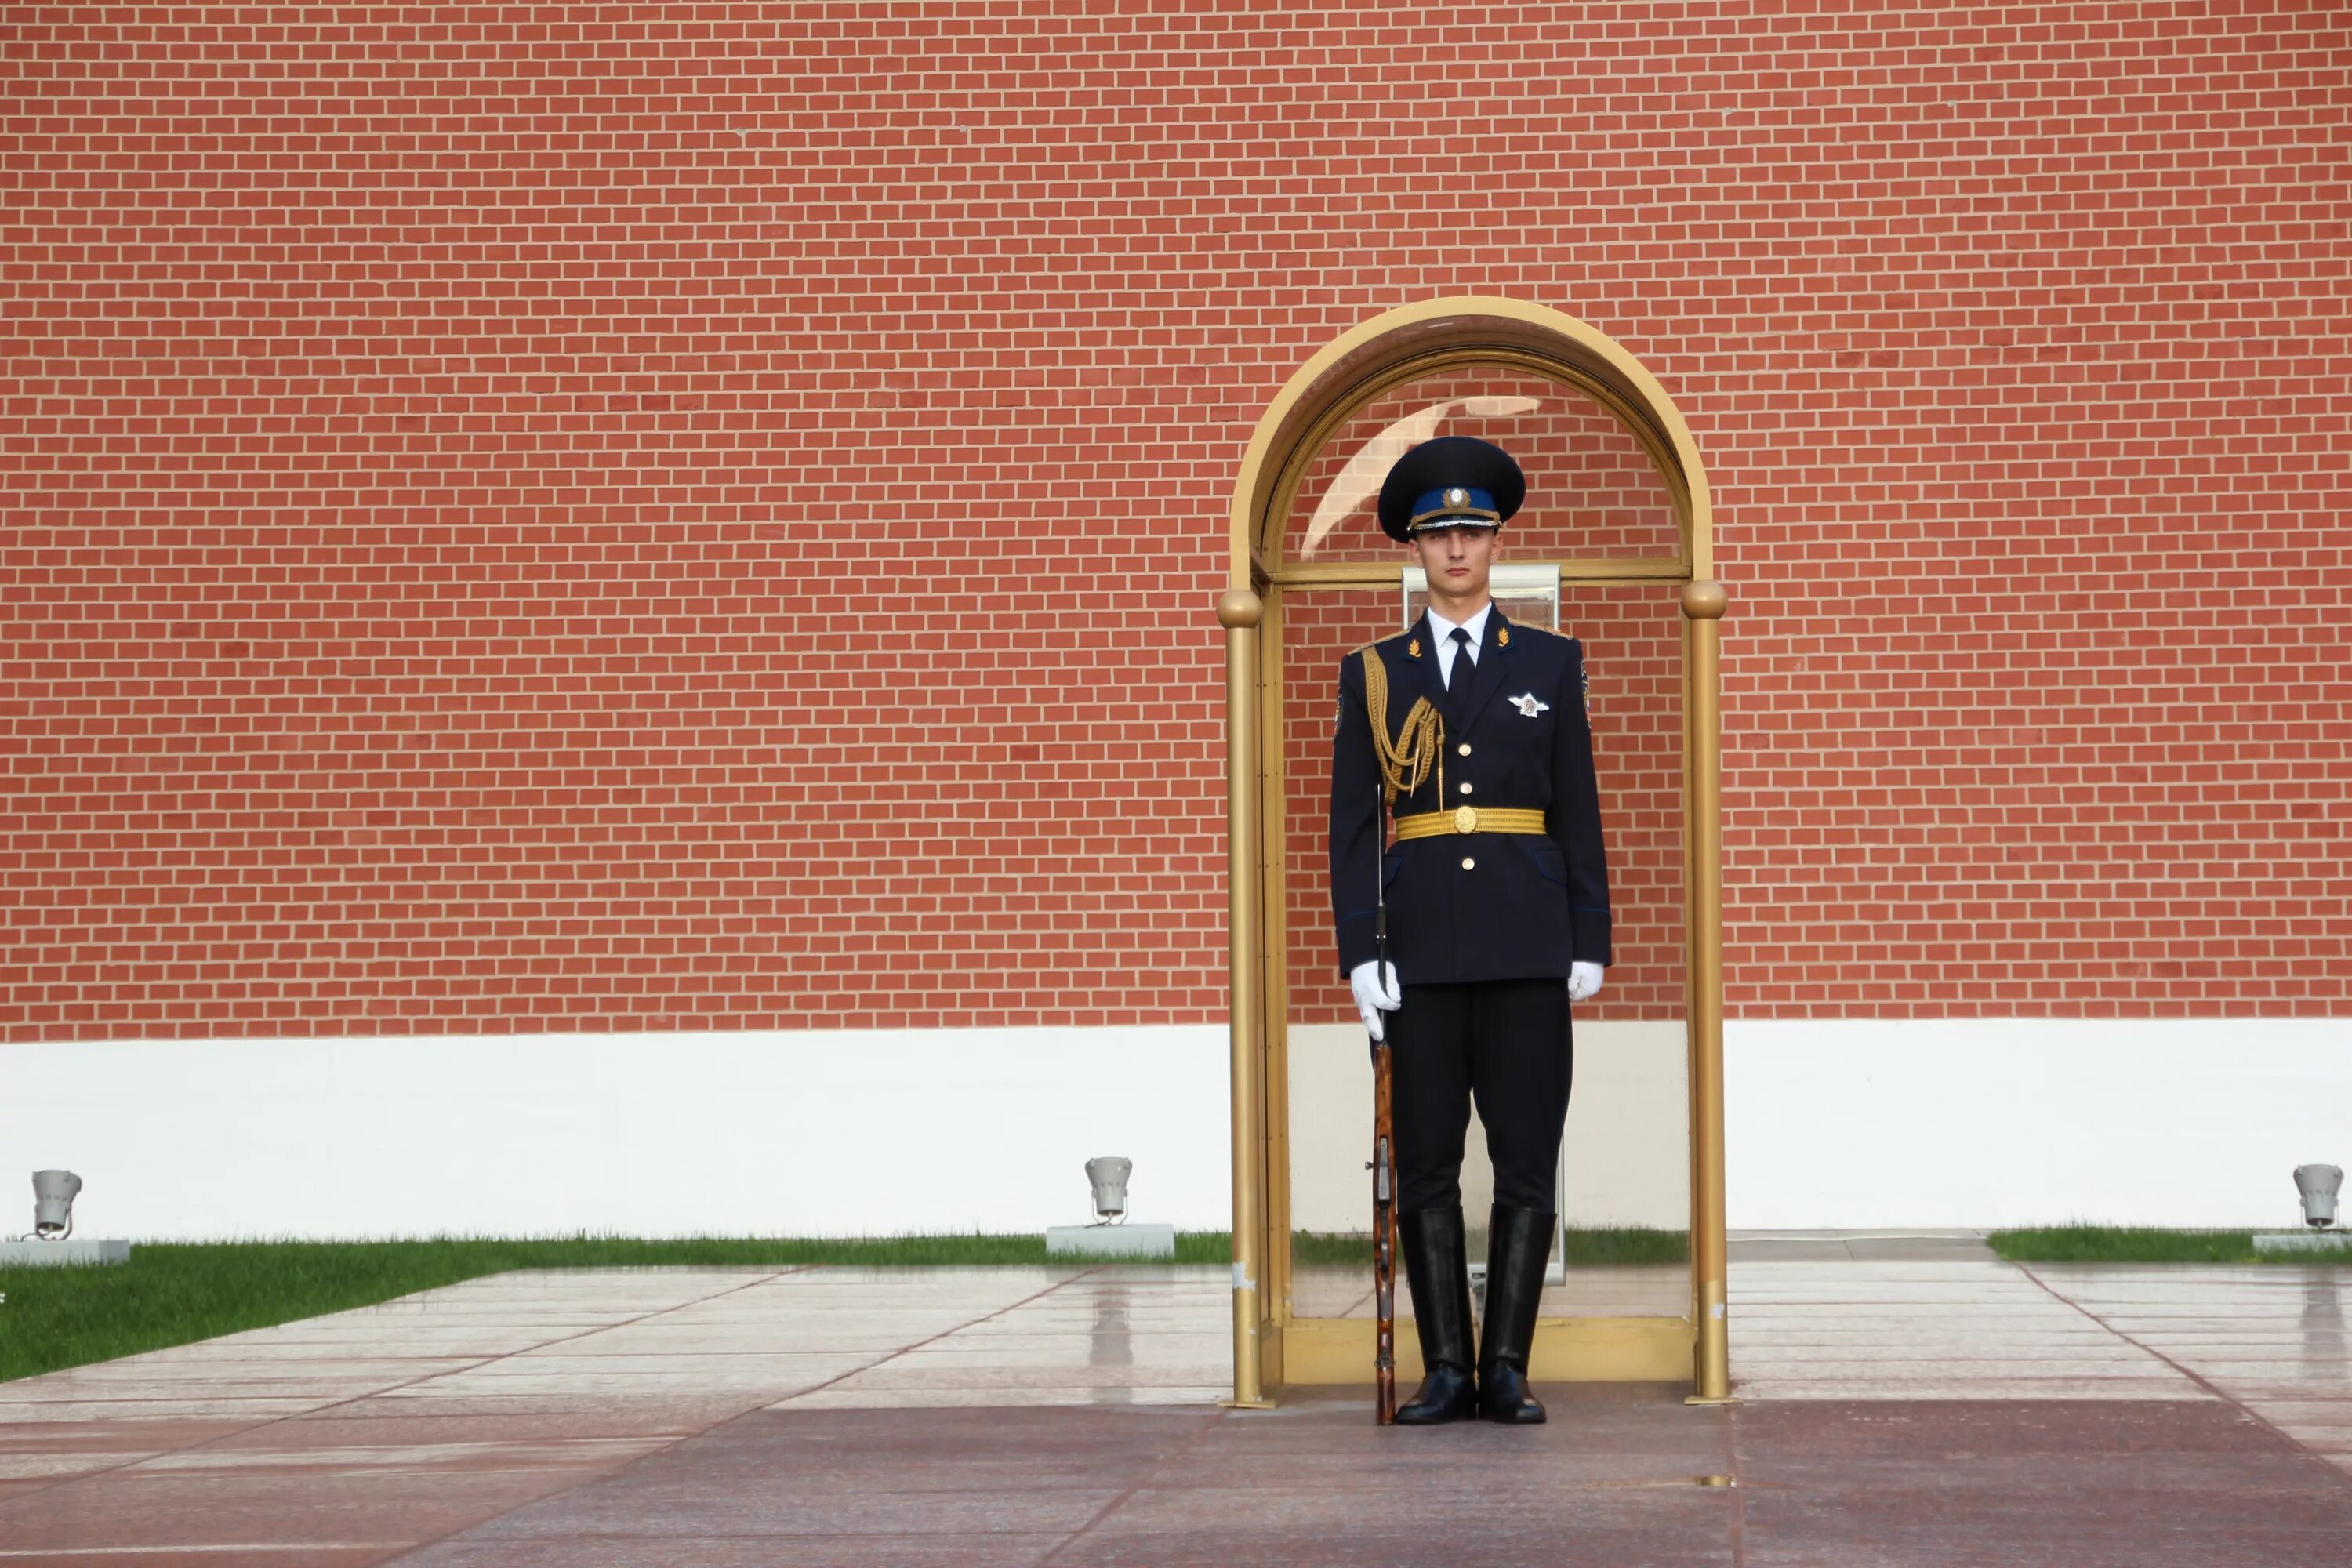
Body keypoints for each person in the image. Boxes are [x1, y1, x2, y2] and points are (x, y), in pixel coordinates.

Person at [1327, 435, 1611, 1426]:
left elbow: (1578, 806)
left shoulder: (1549, 660)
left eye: (1474, 531)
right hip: (1423, 952)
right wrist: (1361, 951)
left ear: (1498, 543)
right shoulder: (1373, 673)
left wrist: (1589, 934)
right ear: (1413, 546)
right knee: (1428, 1159)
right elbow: (1353, 825)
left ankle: (1510, 1367)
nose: (1457, 549)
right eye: (1440, 532)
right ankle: (1447, 1365)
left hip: (1529, 942)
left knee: (1528, 1154)